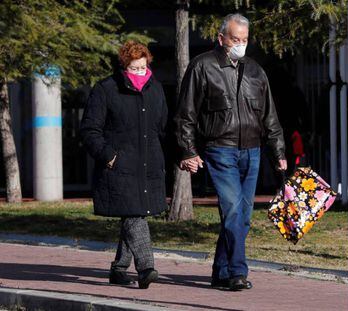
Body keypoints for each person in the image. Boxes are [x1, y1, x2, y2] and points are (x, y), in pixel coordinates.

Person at [174, 13, 287, 291]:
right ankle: (238, 271)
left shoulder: (255, 71)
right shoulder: (202, 66)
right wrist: (188, 150)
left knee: (243, 216)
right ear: (221, 38)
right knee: (233, 211)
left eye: (245, 40)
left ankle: (220, 271)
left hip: (252, 150)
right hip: (220, 149)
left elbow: (269, 116)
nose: (240, 44)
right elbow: (185, 114)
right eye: (235, 39)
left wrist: (279, 153)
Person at [80, 41, 168, 289]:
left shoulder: (156, 90)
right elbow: (89, 130)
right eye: (134, 68)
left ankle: (119, 269)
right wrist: (109, 155)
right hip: (119, 167)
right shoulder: (106, 89)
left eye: (143, 67)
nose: (140, 73)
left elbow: (161, 127)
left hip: (148, 165)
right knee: (134, 215)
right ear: (123, 67)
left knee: (136, 213)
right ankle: (146, 267)